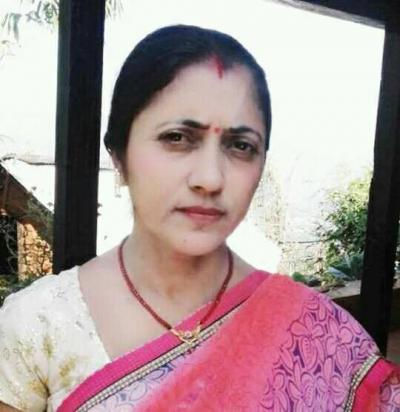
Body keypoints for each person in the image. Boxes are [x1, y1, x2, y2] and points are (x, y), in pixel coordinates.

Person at [0, 24, 399, 412]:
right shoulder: (40, 325)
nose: (210, 178)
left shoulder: (315, 332)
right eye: (177, 137)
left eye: (241, 146)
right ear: (118, 155)